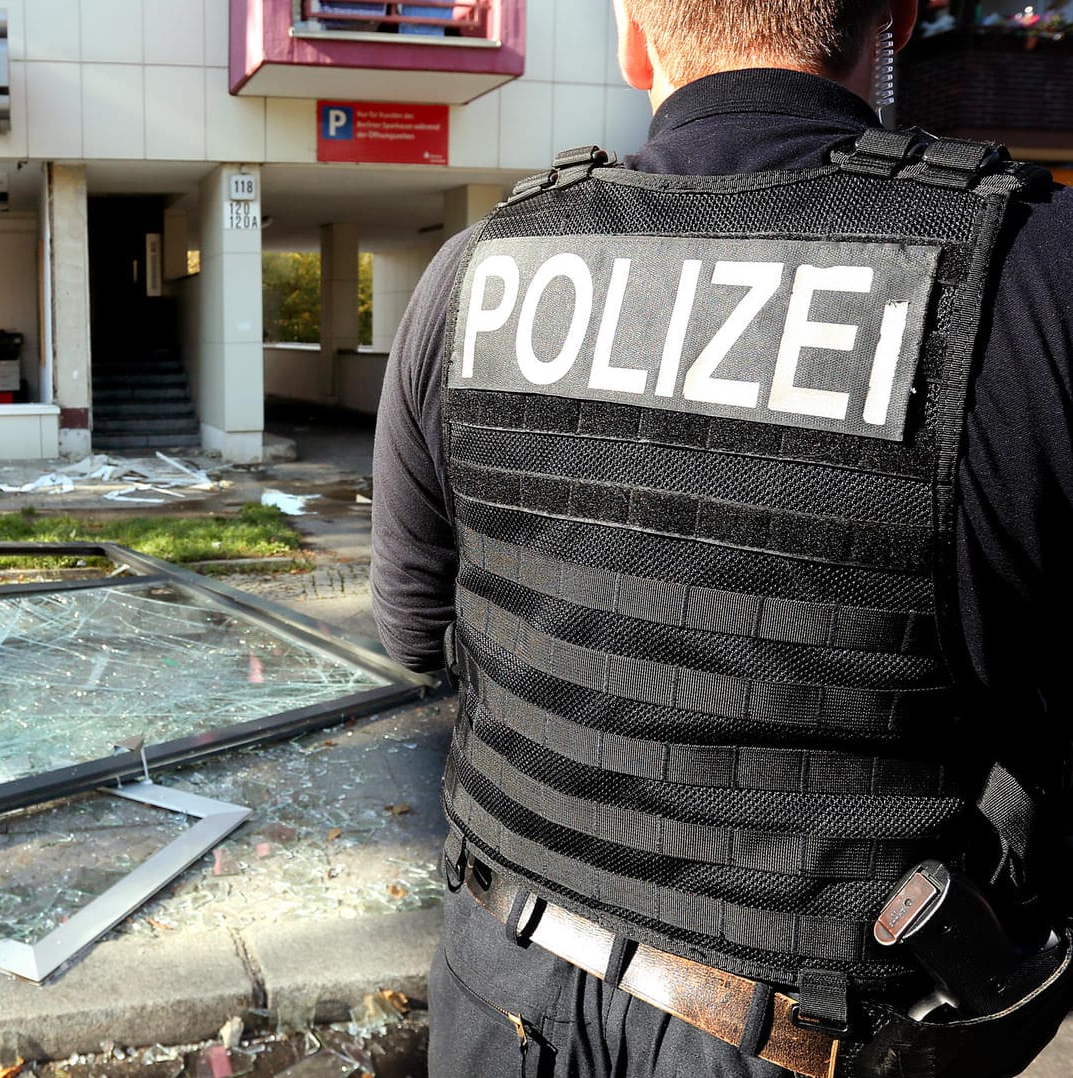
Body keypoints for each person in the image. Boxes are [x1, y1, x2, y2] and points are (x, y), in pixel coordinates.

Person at [370, 0, 1073, 1074]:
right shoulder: (1036, 276)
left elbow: (417, 636)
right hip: (813, 1037)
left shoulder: (472, 275)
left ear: (632, 36)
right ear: (886, 25)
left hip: (502, 995)